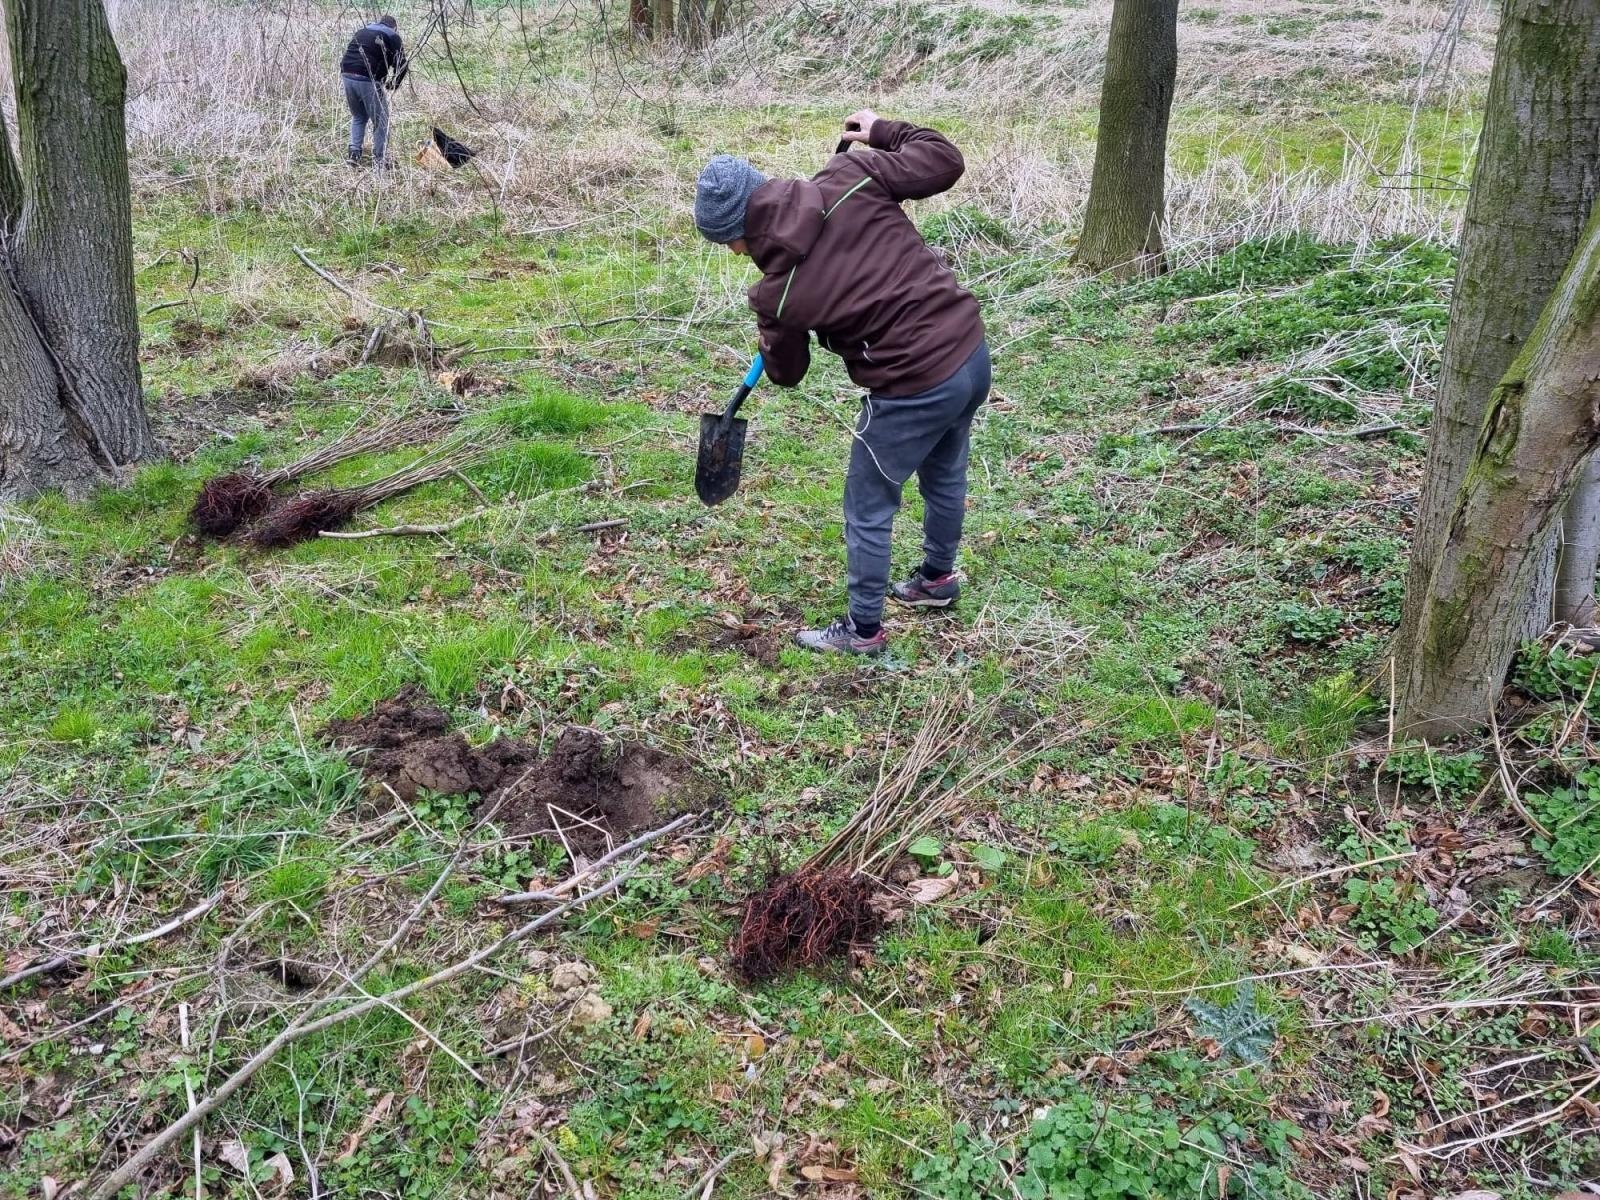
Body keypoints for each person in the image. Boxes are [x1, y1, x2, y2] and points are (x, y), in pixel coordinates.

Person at [693, 110, 989, 657]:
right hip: (968, 350)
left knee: (868, 504)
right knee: (945, 471)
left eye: (728, 244)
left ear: (737, 234)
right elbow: (945, 159)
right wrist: (883, 130)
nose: (735, 255)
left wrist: (774, 332)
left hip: (912, 383)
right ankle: (938, 580)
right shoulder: (852, 178)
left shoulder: (777, 294)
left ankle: (863, 632)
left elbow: (787, 374)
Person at [339, 15, 406, 168]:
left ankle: (354, 155)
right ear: (394, 26)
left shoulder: (363, 30)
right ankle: (379, 161)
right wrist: (393, 84)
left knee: (359, 116)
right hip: (367, 78)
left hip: (347, 73)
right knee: (382, 122)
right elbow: (402, 65)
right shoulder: (392, 35)